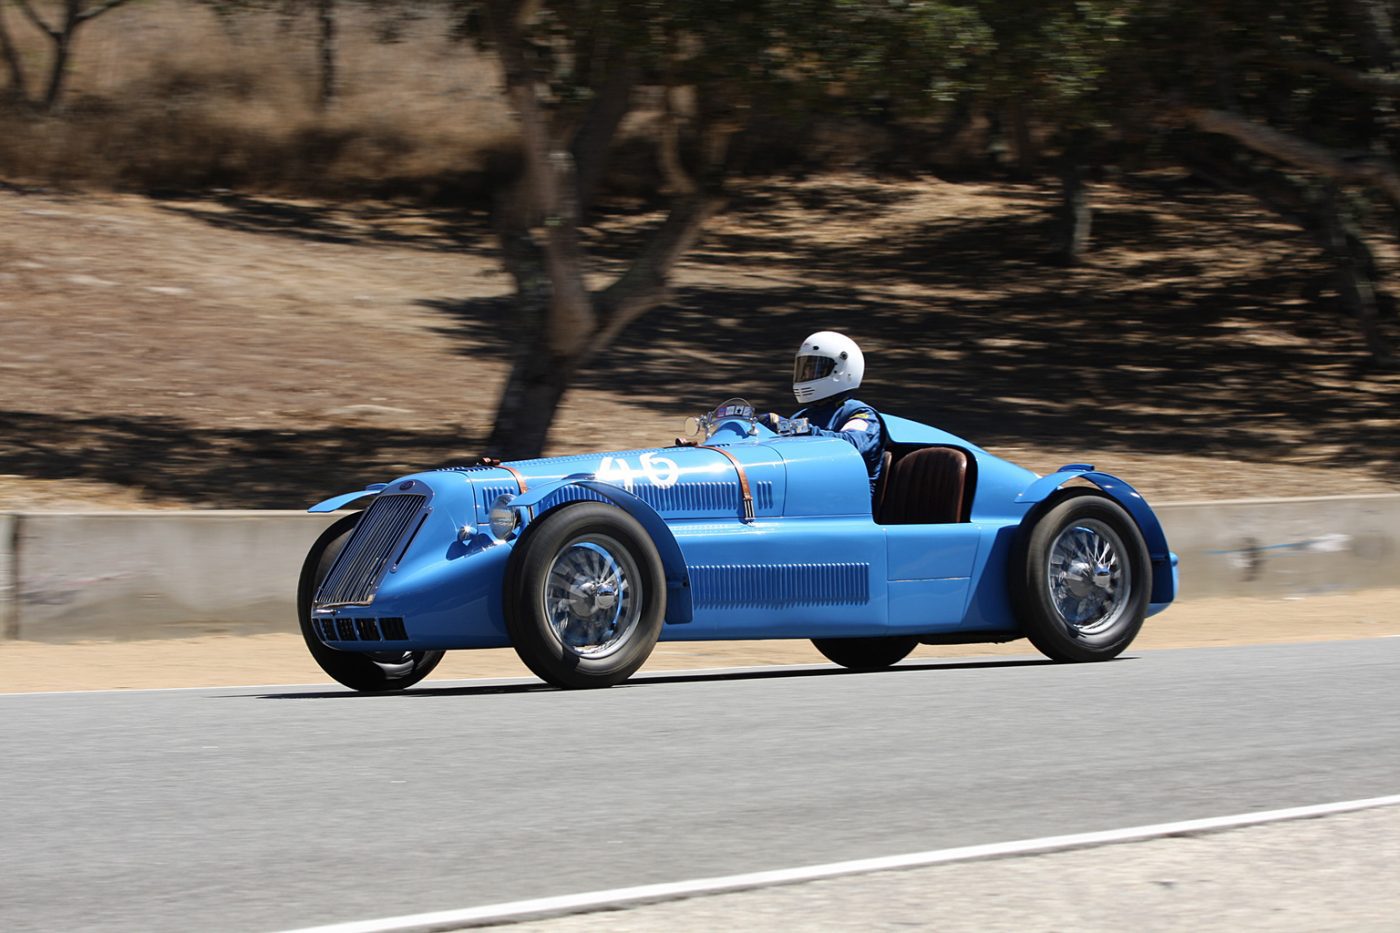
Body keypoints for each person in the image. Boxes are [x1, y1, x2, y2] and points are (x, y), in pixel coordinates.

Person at [761, 331, 884, 490]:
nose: (806, 375)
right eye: (804, 369)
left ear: (842, 370)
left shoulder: (861, 414)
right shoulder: (804, 415)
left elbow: (849, 445)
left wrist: (791, 428)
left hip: (844, 499)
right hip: (808, 490)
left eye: (814, 369)